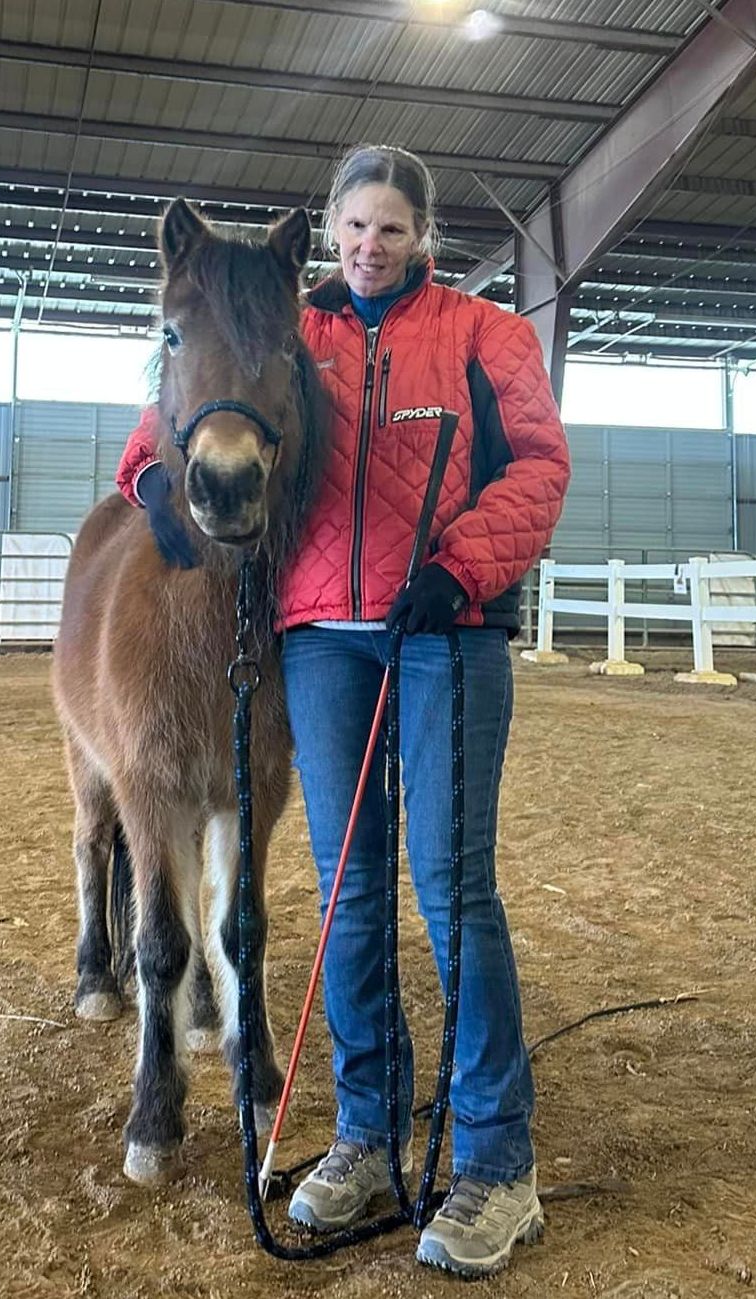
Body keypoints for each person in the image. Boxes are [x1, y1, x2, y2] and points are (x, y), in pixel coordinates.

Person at [115, 144, 570, 1279]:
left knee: (453, 892)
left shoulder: (486, 336)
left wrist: (461, 566)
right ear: (331, 231)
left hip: (443, 632)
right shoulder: (289, 320)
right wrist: (149, 486)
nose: (371, 247)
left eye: (393, 229)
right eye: (355, 228)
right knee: (351, 900)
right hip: (320, 638)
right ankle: (366, 1133)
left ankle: (496, 1165)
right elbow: (165, 414)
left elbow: (538, 468)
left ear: (424, 236)